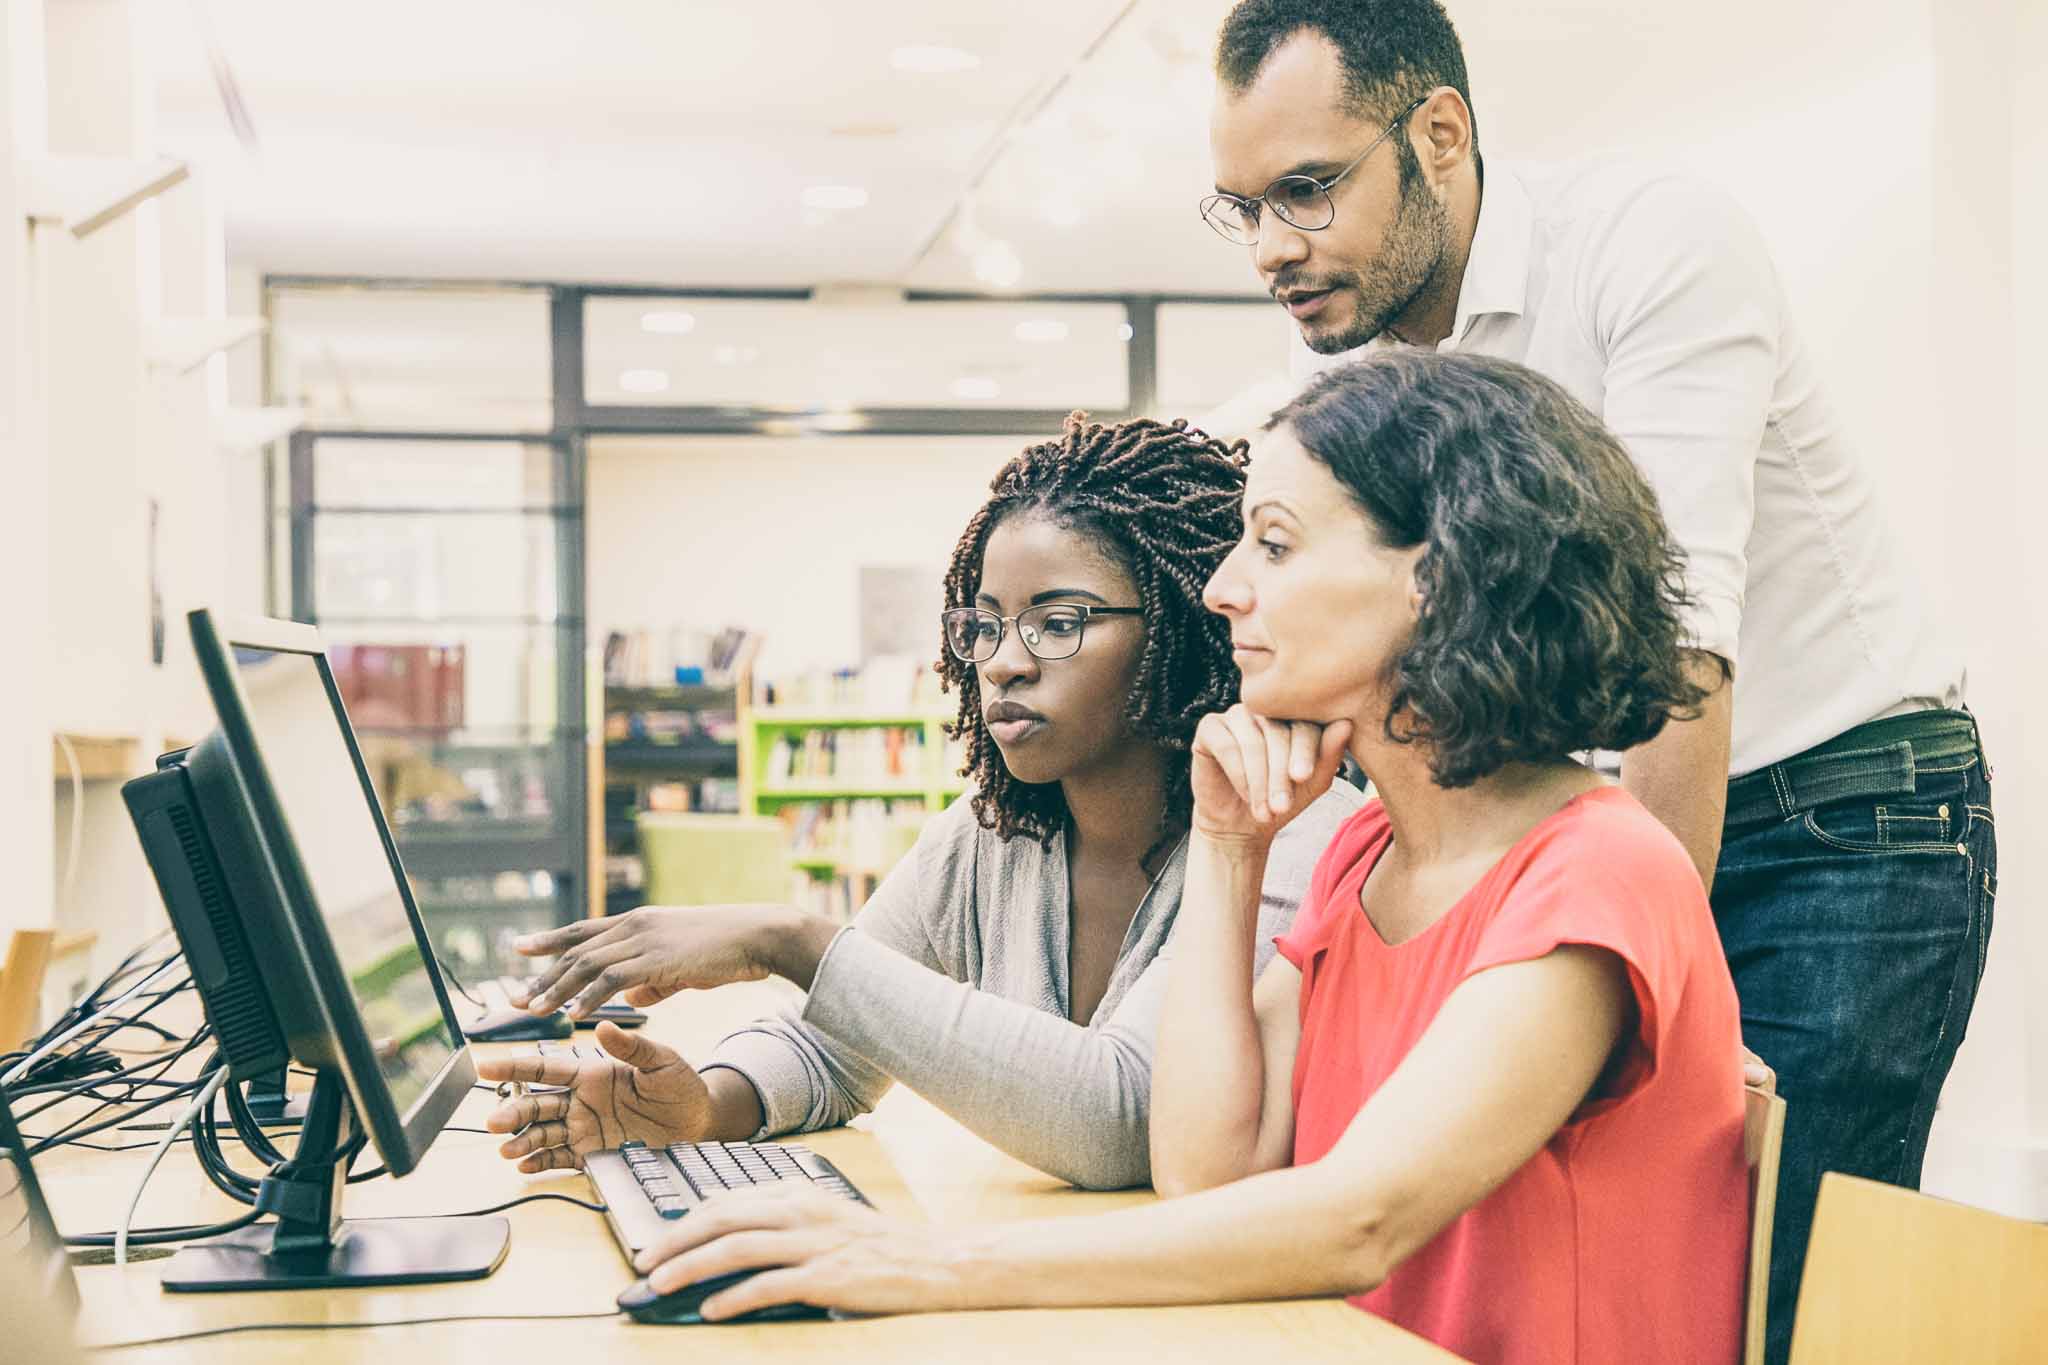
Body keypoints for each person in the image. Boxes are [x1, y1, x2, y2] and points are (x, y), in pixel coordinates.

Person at [625, 353, 1751, 1365]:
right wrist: (1224, 846)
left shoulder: (1595, 870)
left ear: (1439, 577)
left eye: (1272, 543)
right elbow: (1206, 1167)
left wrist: (923, 1264)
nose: (1221, 589)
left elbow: (1359, 1216)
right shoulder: (1368, 852)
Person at [1199, 5, 1996, 1357]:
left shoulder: (1651, 240)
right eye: (1244, 208)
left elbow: (1681, 657)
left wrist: (1675, 1000)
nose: (1277, 245)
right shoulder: (1351, 342)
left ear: (1439, 134)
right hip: (1585, 824)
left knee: (1780, 1290)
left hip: (1840, 809)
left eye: (1309, 190)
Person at [476, 414, 1361, 1189]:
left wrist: (792, 939)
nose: (1002, 661)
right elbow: (836, 1043)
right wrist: (702, 1106)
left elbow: (1123, 1118)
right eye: (982, 624)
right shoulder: (992, 833)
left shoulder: (1286, 830)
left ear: (1182, 630)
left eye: (1058, 623)